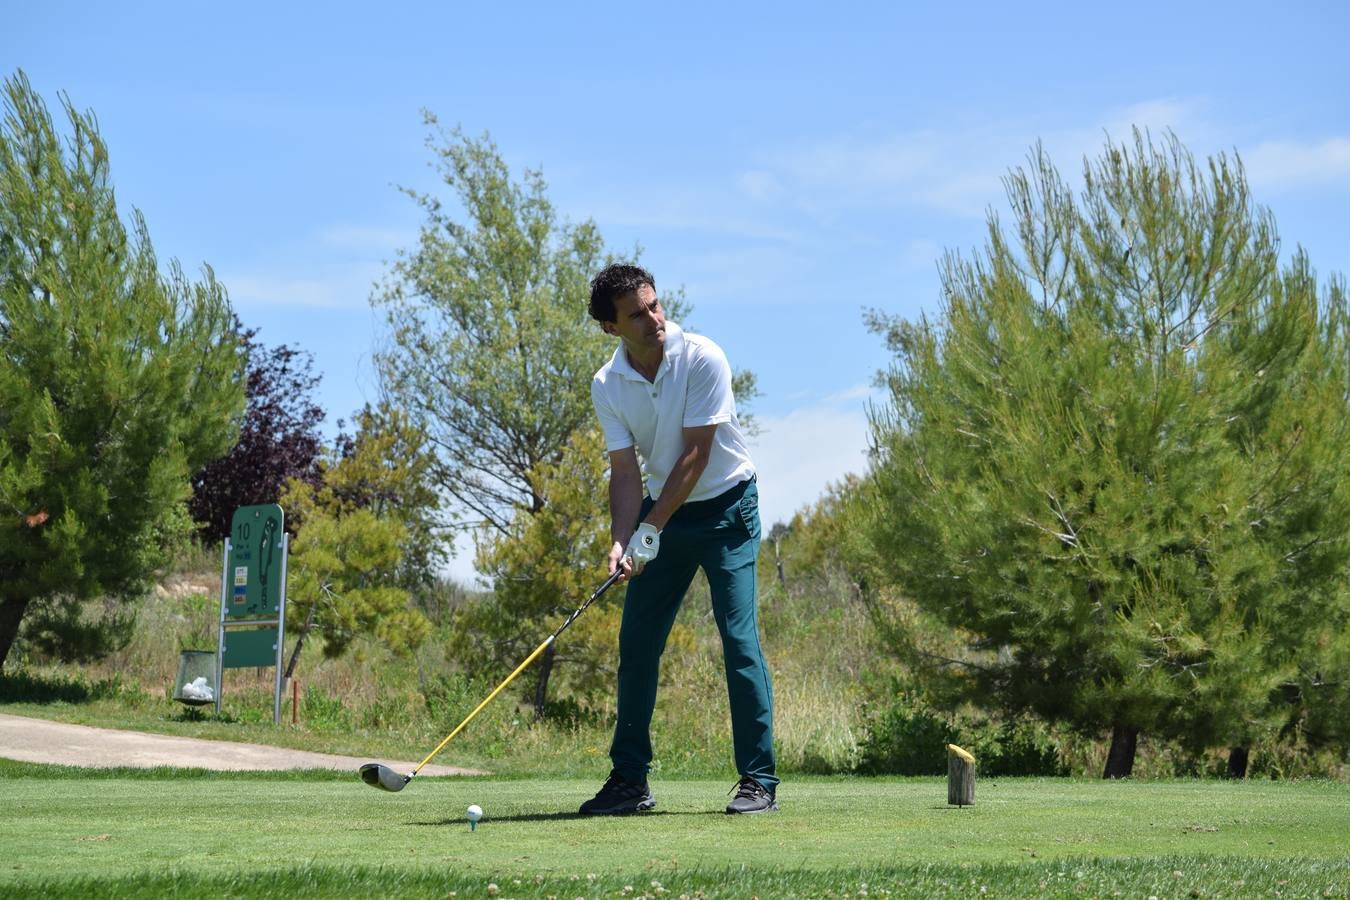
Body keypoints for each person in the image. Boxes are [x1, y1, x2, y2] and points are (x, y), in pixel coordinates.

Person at [579, 263, 778, 816]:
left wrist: (648, 530)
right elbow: (624, 472)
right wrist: (622, 542)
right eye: (636, 314)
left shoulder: (703, 357)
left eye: (654, 305)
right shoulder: (608, 384)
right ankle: (629, 783)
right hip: (659, 518)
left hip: (726, 510)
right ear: (610, 327)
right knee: (637, 647)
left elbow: (696, 456)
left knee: (739, 641)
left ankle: (759, 781)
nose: (653, 319)